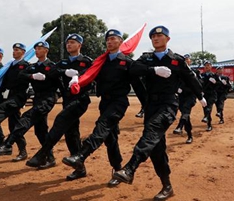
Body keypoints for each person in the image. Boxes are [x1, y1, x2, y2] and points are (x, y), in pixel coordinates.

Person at [113, 26, 206, 201]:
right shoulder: (147, 59)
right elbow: (133, 70)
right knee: (157, 149)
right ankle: (167, 186)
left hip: (168, 104)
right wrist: (153, 70)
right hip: (151, 106)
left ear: (167, 39)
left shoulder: (176, 60)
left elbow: (190, 78)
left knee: (151, 132)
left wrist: (200, 96)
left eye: (159, 35)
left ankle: (130, 168)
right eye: (153, 36)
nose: (156, 38)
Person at [61, 29, 136, 187]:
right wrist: (77, 78)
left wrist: (146, 105)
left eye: (113, 38)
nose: (109, 41)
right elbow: (89, 73)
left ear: (120, 41)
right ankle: (118, 170)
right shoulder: (101, 61)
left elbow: (138, 86)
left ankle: (82, 155)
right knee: (110, 138)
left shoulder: (127, 62)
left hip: (119, 102)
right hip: (105, 102)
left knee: (101, 126)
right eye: (107, 39)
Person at [25, 33, 93, 181]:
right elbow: (53, 72)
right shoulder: (62, 63)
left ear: (79, 45)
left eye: (73, 42)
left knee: (61, 120)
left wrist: (79, 75)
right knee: (71, 134)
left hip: (80, 99)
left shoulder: (86, 61)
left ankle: (42, 154)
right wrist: (65, 72)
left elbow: (92, 75)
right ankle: (79, 168)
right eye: (67, 42)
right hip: (68, 99)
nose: (69, 45)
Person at [0, 41, 61, 168]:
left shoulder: (52, 65)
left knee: (27, 118)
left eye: (40, 48)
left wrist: (58, 96)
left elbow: (59, 83)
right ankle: (49, 158)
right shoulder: (32, 66)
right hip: (37, 98)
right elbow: (21, 76)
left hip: (47, 98)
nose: (37, 51)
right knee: (40, 131)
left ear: (46, 51)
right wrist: (32, 76)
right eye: (36, 49)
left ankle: (7, 144)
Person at [173, 54, 199, 144]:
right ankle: (189, 135)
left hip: (191, 95)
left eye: (188, 59)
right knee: (185, 115)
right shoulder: (178, 71)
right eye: (185, 59)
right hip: (181, 96)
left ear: (190, 61)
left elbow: (199, 83)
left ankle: (179, 127)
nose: (186, 61)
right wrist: (177, 88)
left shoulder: (195, 71)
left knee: (186, 110)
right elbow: (175, 81)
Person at [200, 60, 218, 131]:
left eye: (208, 65)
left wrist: (215, 82)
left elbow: (220, 85)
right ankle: (209, 124)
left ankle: (205, 117)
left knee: (209, 106)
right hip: (204, 94)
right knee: (205, 109)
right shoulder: (202, 75)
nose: (207, 66)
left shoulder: (214, 75)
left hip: (212, 94)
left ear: (211, 66)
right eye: (206, 65)